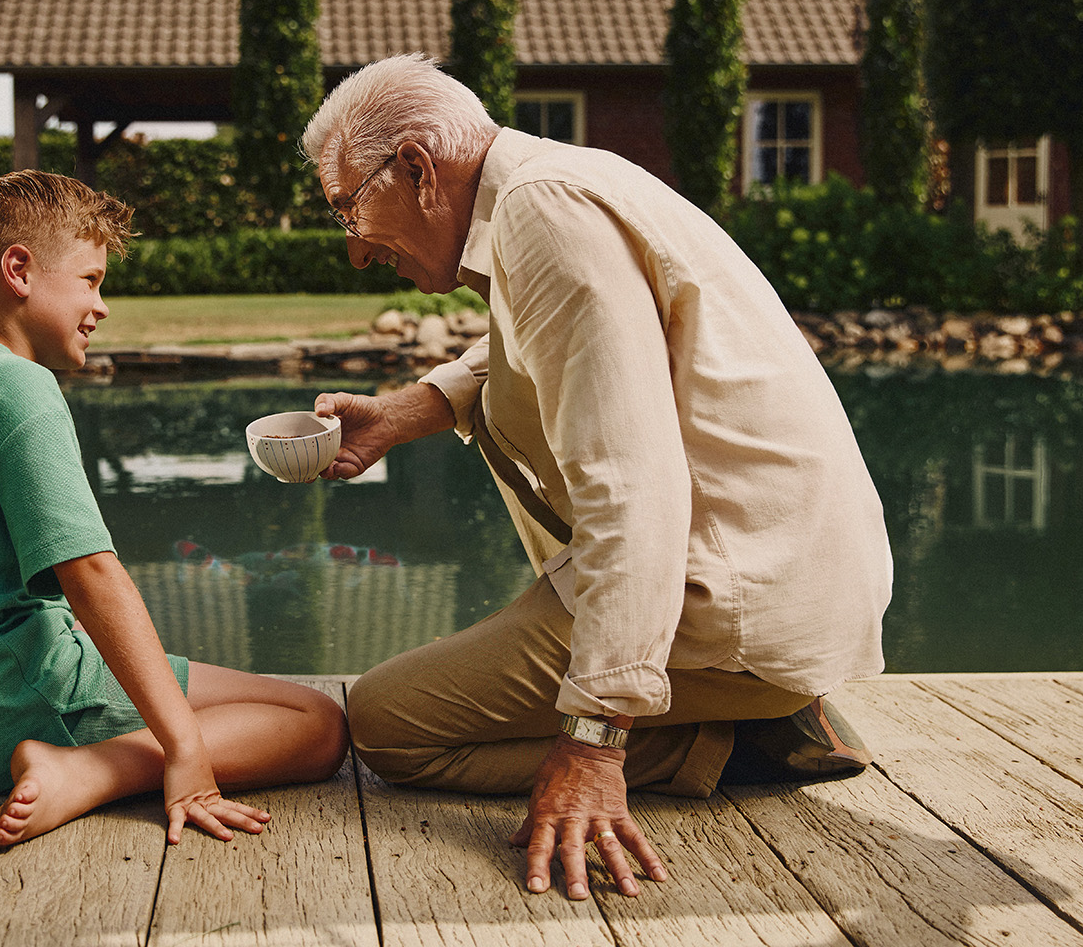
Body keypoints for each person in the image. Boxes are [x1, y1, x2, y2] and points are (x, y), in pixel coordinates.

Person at [304, 56, 892, 901]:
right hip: (792, 574)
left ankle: (728, 732)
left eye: (347, 206)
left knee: (389, 729)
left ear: (418, 169)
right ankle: (755, 704)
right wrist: (413, 409)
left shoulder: (543, 212)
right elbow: (548, 334)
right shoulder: (558, 181)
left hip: (728, 596)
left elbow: (636, 490)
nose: (354, 248)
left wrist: (592, 746)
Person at [0, 170, 349, 853]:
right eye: (90, 280)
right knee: (318, 723)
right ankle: (86, 770)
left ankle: (91, 757)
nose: (102, 306)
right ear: (19, 271)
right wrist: (183, 751)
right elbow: (90, 572)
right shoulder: (19, 385)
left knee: (256, 701)